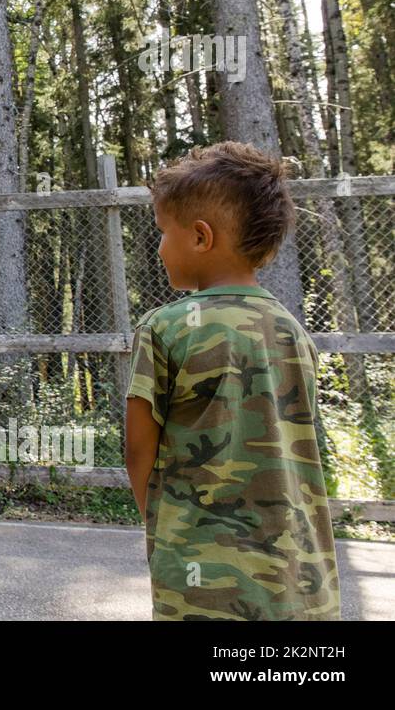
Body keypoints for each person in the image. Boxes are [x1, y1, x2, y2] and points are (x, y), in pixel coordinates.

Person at [124, 141, 341, 620]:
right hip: (299, 572)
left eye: (163, 232)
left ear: (201, 237)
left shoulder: (165, 327)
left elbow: (139, 449)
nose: (159, 247)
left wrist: (164, 524)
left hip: (199, 573)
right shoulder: (290, 327)